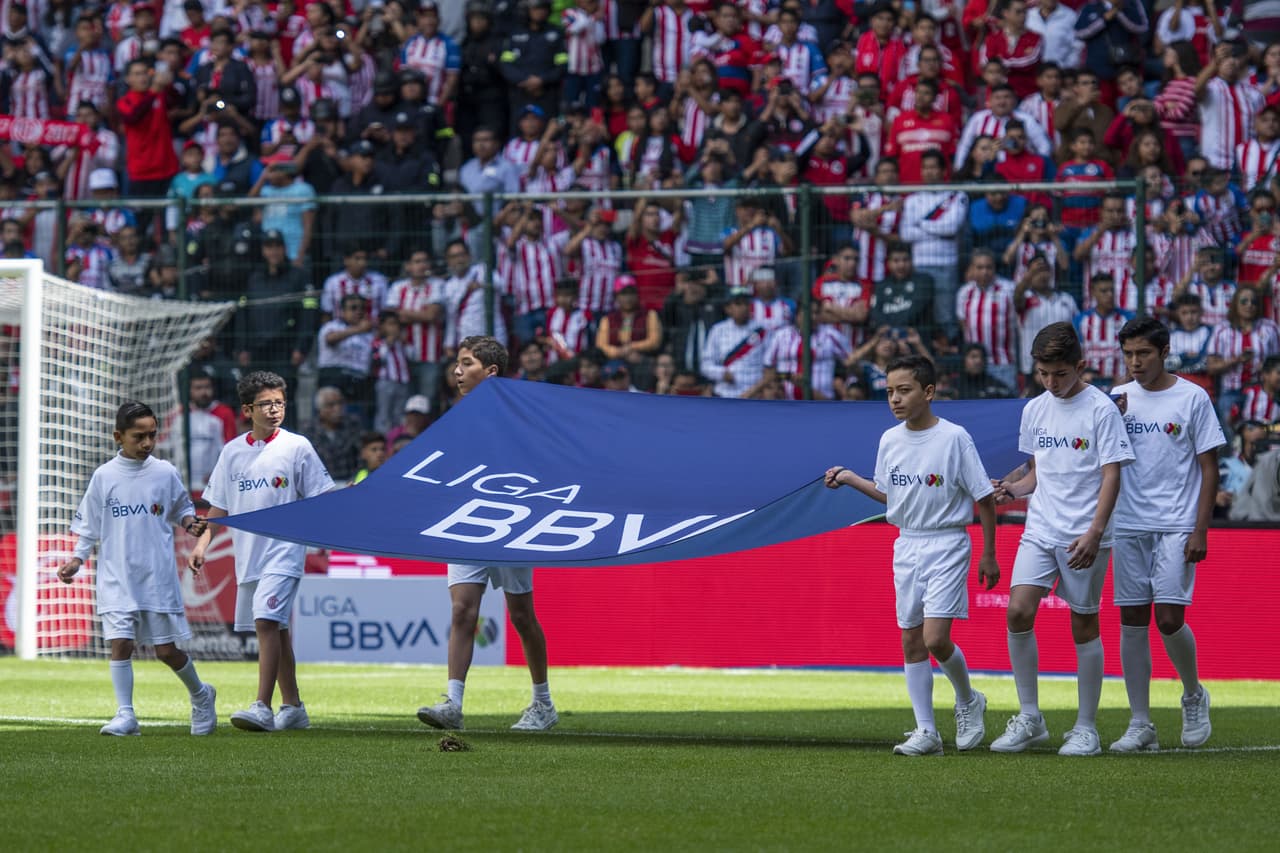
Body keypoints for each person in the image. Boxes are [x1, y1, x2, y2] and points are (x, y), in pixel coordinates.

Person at [824, 355, 999, 755]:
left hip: (948, 542)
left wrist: (989, 554)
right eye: (889, 392)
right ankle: (927, 733)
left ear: (929, 392)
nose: (895, 399)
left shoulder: (954, 437)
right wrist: (852, 479)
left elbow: (984, 498)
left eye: (904, 390)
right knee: (911, 640)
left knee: (936, 638)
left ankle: (969, 700)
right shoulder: (890, 440)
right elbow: (890, 495)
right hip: (906, 543)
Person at [990, 322, 1135, 756]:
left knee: (1083, 623)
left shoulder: (1101, 409)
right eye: (1043, 373)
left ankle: (1086, 727)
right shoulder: (1035, 409)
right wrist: (1013, 489)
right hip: (1041, 528)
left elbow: (1113, 474)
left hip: (1084, 535)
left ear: (1080, 366)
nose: (1051, 382)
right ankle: (1030, 717)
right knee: (1017, 611)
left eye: (1059, 374)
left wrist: (1095, 532)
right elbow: (1039, 470)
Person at [417, 336, 558, 732]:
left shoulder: (521, 415)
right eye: (457, 364)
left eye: (466, 364)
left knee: (521, 615)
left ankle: (543, 703)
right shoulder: (456, 416)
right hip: (466, 523)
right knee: (463, 611)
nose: (457, 371)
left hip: (510, 524)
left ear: (491, 371)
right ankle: (453, 704)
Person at [189, 371, 336, 733]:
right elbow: (219, 506)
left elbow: (322, 495)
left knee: (267, 624)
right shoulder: (233, 452)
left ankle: (262, 706)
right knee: (278, 629)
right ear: (247, 409)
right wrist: (203, 542)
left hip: (285, 552)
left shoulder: (297, 446)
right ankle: (294, 705)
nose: (274, 410)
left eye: (280, 403)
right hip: (249, 555)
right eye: (267, 404)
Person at [58, 401, 215, 737]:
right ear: (119, 436)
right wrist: (77, 559)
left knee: (165, 651)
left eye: (151, 435)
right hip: (116, 576)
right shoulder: (104, 476)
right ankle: (125, 715)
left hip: (156, 576)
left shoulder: (165, 472)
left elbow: (182, 511)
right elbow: (90, 526)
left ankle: (202, 695)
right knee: (121, 644)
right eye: (138, 436)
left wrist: (192, 525)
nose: (146, 443)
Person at [1108, 316, 1225, 752]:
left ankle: (1193, 693)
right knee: (1131, 620)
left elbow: (1208, 467)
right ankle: (1141, 724)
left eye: (1143, 354)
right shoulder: (1116, 399)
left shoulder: (1193, 397)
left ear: (1163, 352)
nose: (1135, 363)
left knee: (1170, 618)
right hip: (1128, 524)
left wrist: (1201, 529)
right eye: (1128, 355)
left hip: (1177, 523)